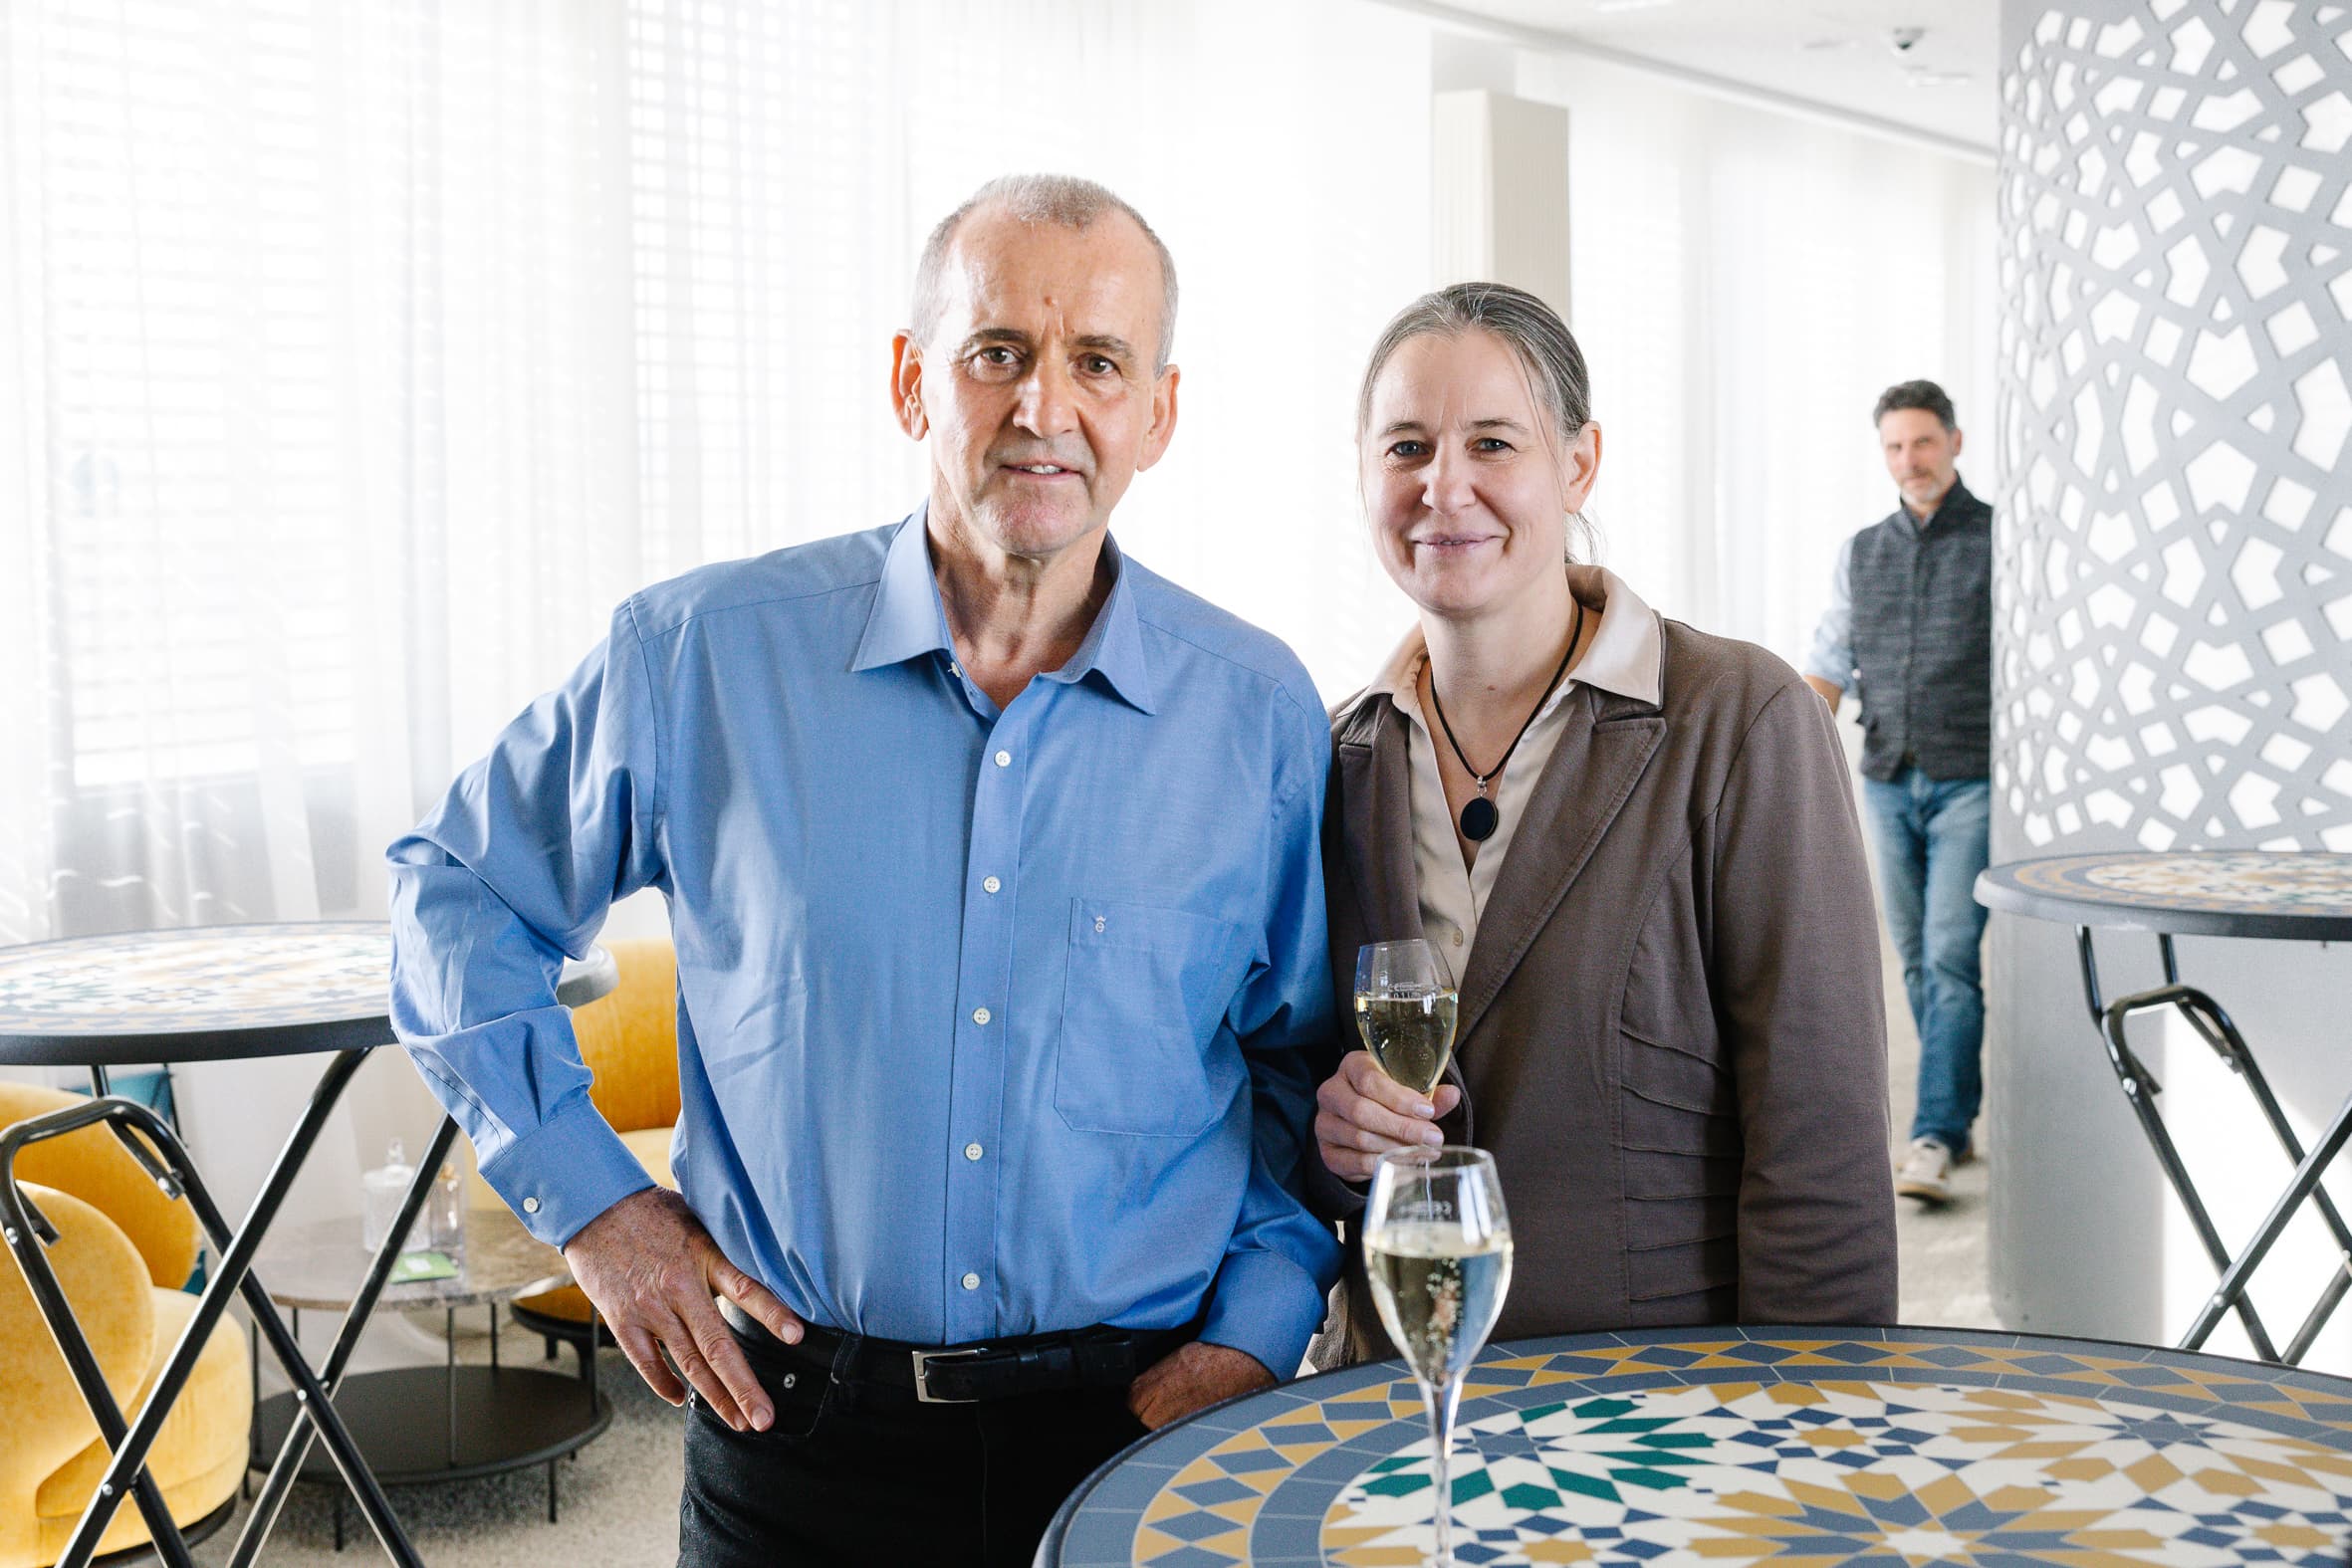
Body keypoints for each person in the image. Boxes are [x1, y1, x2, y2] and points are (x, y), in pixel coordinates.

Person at [385, 173, 1340, 1568]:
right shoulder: (700, 656)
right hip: (795, 1437)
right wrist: (592, 1198)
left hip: (1147, 1427)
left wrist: (1252, 1334)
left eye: (1096, 362)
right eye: (995, 352)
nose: (1042, 408)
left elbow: (1296, 1067)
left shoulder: (1254, 711)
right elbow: (454, 890)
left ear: (1158, 412)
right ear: (911, 381)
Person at [1308, 282, 1897, 1358]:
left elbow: (1821, 1154)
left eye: (1493, 442)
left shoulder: (1740, 721)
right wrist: (1333, 1133)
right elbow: (1283, 1100)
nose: (1445, 487)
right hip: (1397, 1399)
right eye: (1404, 448)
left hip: (1656, 1420)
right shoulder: (1331, 755)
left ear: (1576, 464)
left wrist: (1814, 1439)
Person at [1800, 380, 1993, 1207]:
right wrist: (1787, 754)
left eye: (1922, 442)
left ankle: (1934, 1133)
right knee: (1916, 960)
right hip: (1886, 778)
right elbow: (1831, 659)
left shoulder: (2000, 541)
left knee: (1949, 955)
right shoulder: (1861, 548)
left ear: (1955, 441)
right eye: (1893, 447)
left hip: (1972, 778)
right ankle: (1956, 1111)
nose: (1908, 461)